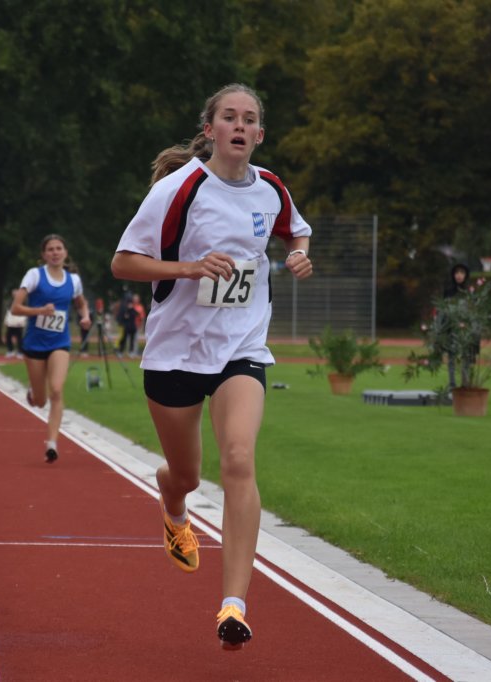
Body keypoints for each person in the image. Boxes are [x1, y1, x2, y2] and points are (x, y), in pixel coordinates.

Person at [111, 83, 313, 650]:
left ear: (260, 134)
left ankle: (233, 606)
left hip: (240, 349)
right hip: (175, 353)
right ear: (211, 129)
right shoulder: (178, 189)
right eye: (230, 117)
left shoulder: (271, 187)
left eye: (249, 119)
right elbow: (123, 263)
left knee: (240, 460)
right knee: (187, 475)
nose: (239, 126)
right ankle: (173, 502)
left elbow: (295, 228)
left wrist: (299, 253)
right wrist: (190, 267)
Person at [12, 234, 92, 463]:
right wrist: (39, 311)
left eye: (59, 248)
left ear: (65, 253)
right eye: (50, 249)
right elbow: (16, 308)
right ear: (44, 254)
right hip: (34, 344)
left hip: (60, 342)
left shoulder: (73, 280)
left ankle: (52, 443)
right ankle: (34, 392)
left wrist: (85, 316)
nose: (55, 253)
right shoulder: (35, 275)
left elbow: (81, 302)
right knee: (40, 401)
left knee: (56, 390)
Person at [442, 263, 472, 389]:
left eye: (462, 273)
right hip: (451, 328)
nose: (459, 275)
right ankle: (452, 383)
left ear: (466, 275)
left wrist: (466, 323)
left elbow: (473, 311)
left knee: (466, 357)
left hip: (466, 329)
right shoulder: (448, 291)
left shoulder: (470, 292)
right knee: (451, 356)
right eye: (456, 273)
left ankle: (465, 382)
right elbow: (444, 310)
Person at [2, 290, 27, 358]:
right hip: (11, 323)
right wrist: (6, 321)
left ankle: (20, 352)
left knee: (19, 338)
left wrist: (22, 321)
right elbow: (9, 312)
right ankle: (10, 351)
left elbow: (24, 313)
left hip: (19, 324)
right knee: (8, 337)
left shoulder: (23, 302)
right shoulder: (10, 303)